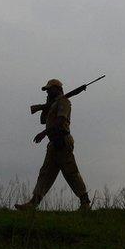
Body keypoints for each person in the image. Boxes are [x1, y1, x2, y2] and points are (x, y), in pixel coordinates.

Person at [15, 79, 91, 211]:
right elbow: (43, 120)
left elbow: (61, 121)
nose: (48, 92)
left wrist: (44, 133)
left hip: (62, 140)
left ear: (57, 89)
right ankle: (34, 203)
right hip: (54, 143)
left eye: (50, 89)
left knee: (71, 172)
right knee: (45, 173)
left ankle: (85, 203)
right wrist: (46, 107)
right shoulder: (53, 104)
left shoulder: (64, 102)